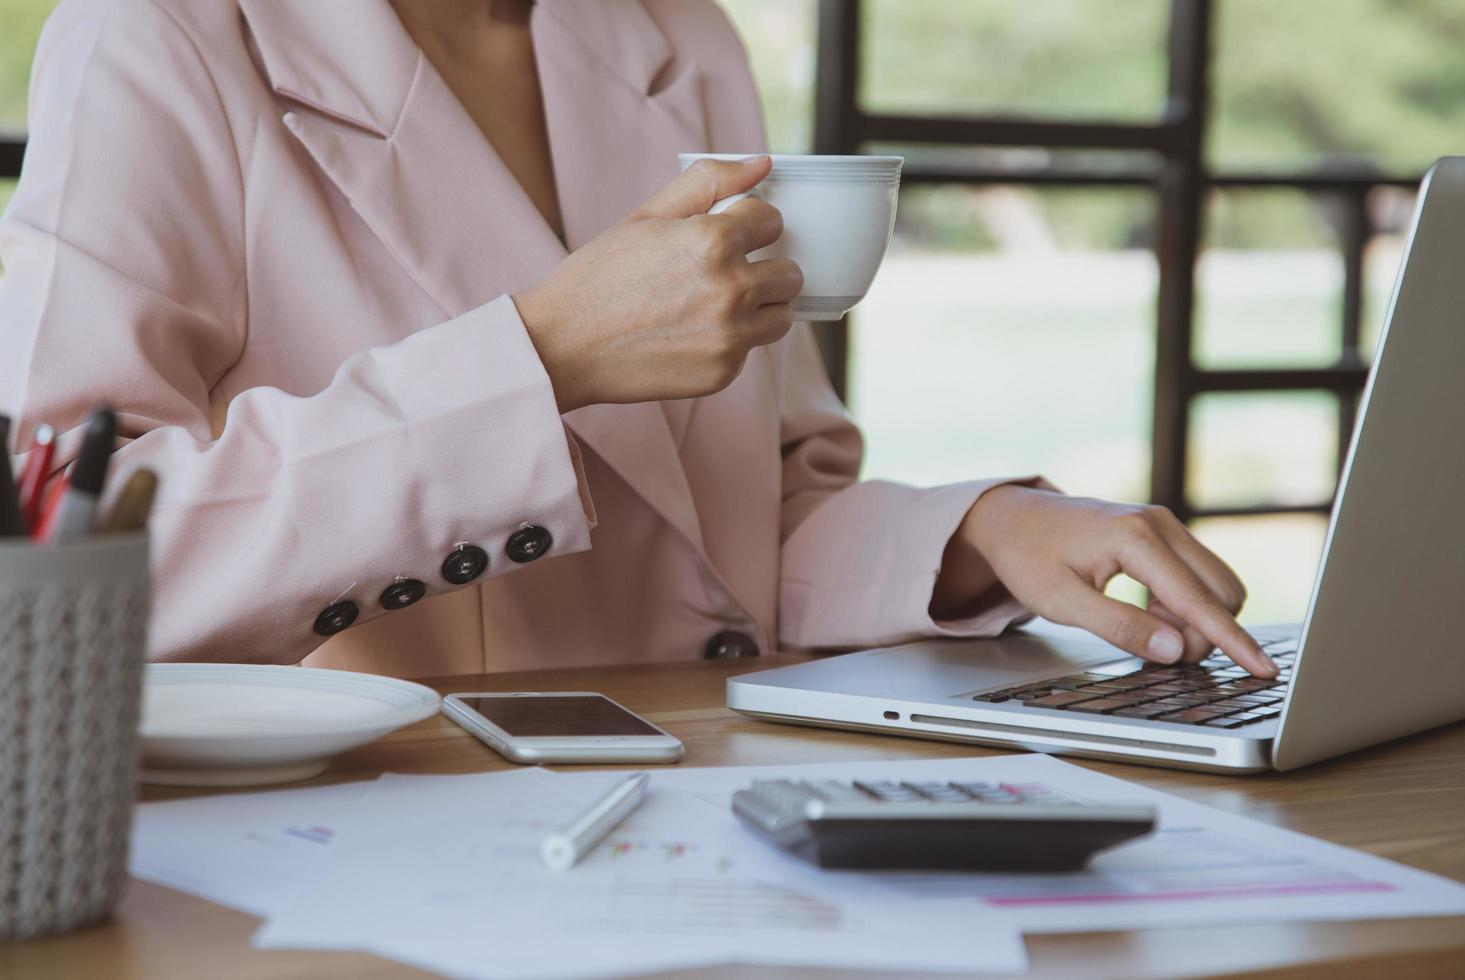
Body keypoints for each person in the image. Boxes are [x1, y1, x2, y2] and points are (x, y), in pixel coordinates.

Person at [0, 0, 1277, 679]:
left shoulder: (682, 38)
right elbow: (56, 560)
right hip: (368, 827)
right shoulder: (156, 36)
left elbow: (744, 515)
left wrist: (971, 534)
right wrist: (537, 359)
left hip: (703, 811)